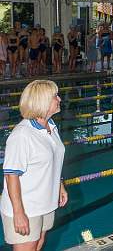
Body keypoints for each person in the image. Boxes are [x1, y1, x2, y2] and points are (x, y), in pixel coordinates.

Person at [1, 80, 68, 251]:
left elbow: (53, 160)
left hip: (45, 202)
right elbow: (11, 175)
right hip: (26, 206)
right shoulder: (22, 135)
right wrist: (18, 213)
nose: (59, 99)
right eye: (55, 96)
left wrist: (59, 185)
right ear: (42, 101)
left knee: (38, 244)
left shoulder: (51, 127)